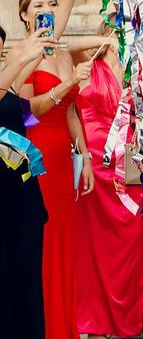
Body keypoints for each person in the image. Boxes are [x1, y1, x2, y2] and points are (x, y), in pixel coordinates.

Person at [16, 0, 104, 339]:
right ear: (24, 15)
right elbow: (24, 112)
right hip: (37, 156)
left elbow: (70, 109)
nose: (47, 10)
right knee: (45, 242)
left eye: (51, 4)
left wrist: (83, 156)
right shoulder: (23, 54)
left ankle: (64, 326)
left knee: (65, 245)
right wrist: (67, 83)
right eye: (38, 6)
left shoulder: (59, 51)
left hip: (64, 155)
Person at [72, 24, 143, 338]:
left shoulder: (138, 71)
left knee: (133, 244)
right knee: (93, 248)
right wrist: (108, 41)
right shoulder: (88, 64)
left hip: (127, 163)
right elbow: (72, 44)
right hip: (92, 162)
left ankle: (129, 321)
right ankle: (95, 323)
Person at [0, 28, 54, 339]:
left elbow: (51, 34)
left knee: (27, 283)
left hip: (22, 199)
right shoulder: (10, 71)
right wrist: (18, 59)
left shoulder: (10, 79)